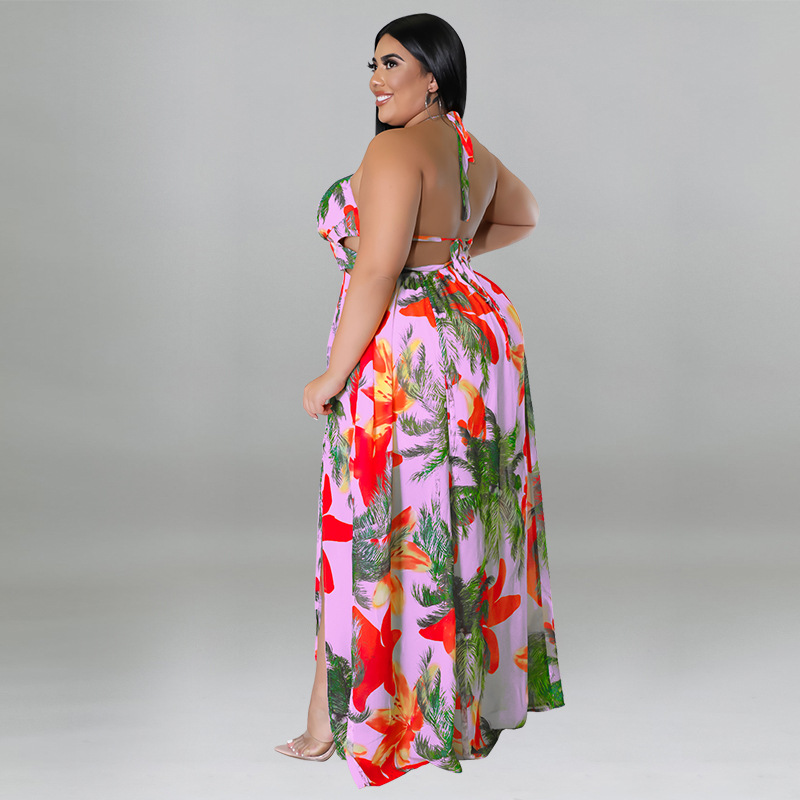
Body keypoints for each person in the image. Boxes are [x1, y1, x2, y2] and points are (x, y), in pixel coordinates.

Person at [275, 12, 565, 789]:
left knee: (376, 524)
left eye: (392, 63)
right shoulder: (467, 148)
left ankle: (340, 722)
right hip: (478, 333)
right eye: (372, 64)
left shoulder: (394, 149)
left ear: (432, 76)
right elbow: (524, 213)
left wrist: (331, 375)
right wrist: (449, 254)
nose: (376, 79)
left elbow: (376, 270)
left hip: (407, 351)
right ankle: (454, 708)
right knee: (459, 516)